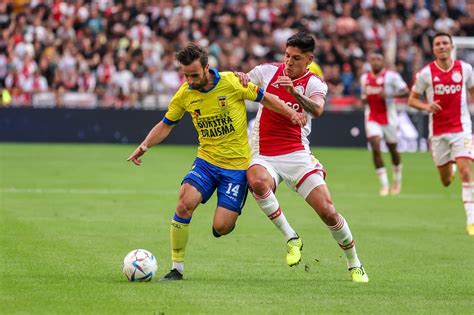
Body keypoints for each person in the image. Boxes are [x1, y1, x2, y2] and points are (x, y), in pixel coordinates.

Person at [127, 43, 307, 281]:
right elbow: (165, 124)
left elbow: (267, 99)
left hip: (236, 168)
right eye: (185, 75)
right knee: (184, 203)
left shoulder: (233, 82)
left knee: (222, 227)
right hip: (206, 162)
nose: (190, 80)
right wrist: (145, 145)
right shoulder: (184, 94)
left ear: (206, 68)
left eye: (194, 74)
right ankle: (176, 269)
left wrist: (292, 113)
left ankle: (224, 221)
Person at [236, 32, 369, 282]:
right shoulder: (266, 72)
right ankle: (291, 238)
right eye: (287, 56)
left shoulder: (315, 83)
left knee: (328, 211)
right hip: (264, 152)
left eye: (296, 58)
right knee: (256, 180)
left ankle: (355, 263)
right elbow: (238, 81)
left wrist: (294, 92)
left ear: (309, 59)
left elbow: (318, 110)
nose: (289, 62)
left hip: (296, 154)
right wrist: (241, 77)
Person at [408, 32, 474, 236]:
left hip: (461, 128)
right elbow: (412, 100)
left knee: (466, 171)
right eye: (438, 44)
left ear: (452, 46)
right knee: (446, 181)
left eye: (445, 43)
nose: (442, 46)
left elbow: (472, 91)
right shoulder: (426, 73)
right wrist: (427, 106)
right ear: (434, 49)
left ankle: (471, 219)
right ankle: (451, 165)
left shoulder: (465, 69)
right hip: (438, 133)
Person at [360, 50, 409, 196]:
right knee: (375, 145)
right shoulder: (364, 78)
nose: (375, 62)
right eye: (372, 59)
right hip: (372, 117)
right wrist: (363, 99)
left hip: (389, 118)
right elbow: (364, 95)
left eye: (377, 59)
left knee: (392, 149)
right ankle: (384, 185)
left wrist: (389, 95)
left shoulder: (391, 76)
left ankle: (397, 180)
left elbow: (406, 91)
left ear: (383, 61)